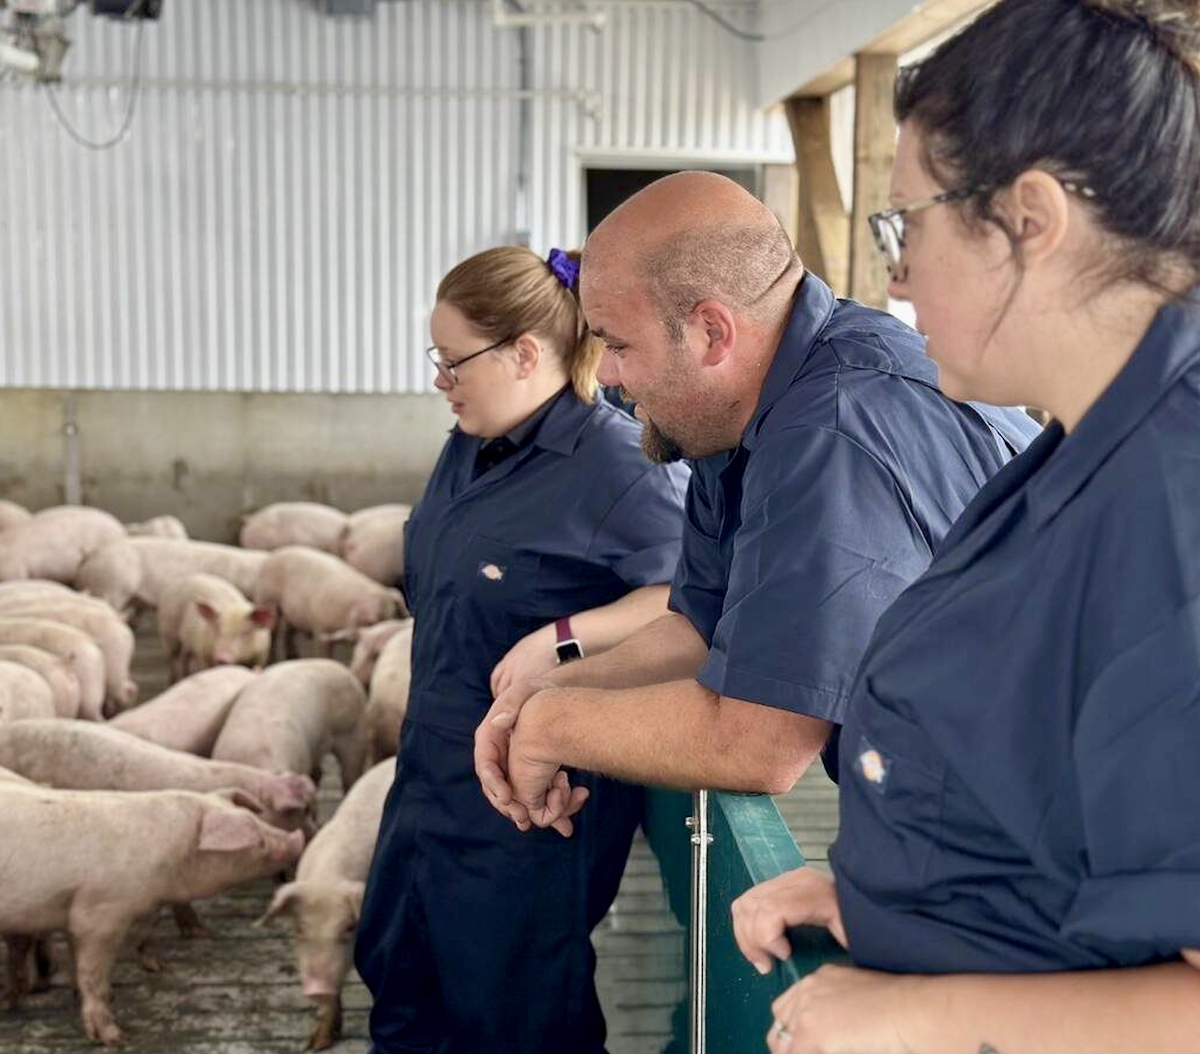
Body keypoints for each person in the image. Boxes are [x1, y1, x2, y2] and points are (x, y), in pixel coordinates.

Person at [729, 1, 1200, 1050]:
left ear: (1030, 219)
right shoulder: (1085, 445)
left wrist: (921, 1005)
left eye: (908, 222)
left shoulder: (1176, 509)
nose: (893, 275)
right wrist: (904, 906)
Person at [474, 171, 1040, 833]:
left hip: (1060, 834)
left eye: (619, 345)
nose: (609, 377)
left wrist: (549, 729)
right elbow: (698, 628)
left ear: (713, 334)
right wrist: (547, 690)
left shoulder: (831, 434)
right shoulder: (739, 411)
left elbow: (760, 742)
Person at [354, 245, 690, 1054]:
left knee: (516, 1020)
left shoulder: (617, 464)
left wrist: (565, 636)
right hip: (429, 776)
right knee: (401, 990)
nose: (441, 380)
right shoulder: (469, 447)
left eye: (451, 360)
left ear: (525, 353)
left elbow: (688, 599)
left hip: (532, 802)